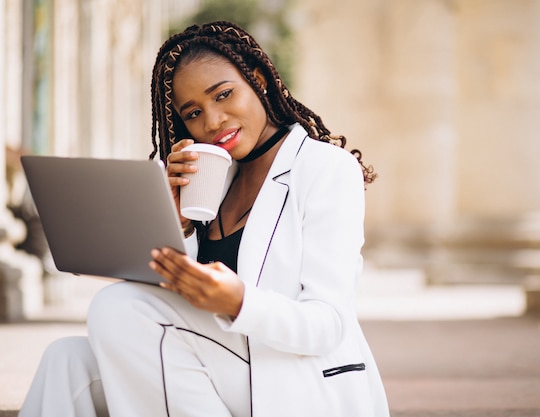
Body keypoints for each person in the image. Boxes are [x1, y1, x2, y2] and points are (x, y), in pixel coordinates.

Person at [19, 21, 389, 417]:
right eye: (194, 113)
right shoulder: (212, 181)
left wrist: (238, 301)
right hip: (225, 367)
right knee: (67, 360)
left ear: (258, 79)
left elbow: (327, 324)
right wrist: (174, 223)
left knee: (117, 308)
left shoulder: (324, 168)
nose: (212, 122)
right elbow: (170, 308)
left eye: (224, 95)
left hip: (296, 379)